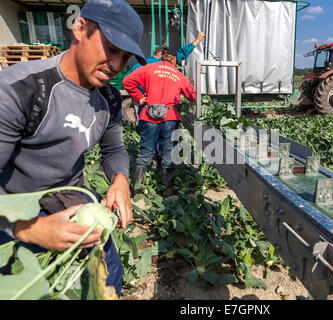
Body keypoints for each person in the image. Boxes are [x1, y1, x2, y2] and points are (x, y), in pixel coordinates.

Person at [0, 0, 145, 297]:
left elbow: (114, 146)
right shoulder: (21, 90)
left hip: (72, 205)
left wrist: (120, 179)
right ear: (79, 28)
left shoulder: (109, 98)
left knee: (107, 279)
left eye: (125, 57)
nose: (117, 66)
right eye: (111, 48)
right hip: (13, 215)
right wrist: (28, 229)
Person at [123, 47, 197, 197]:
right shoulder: (178, 74)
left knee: (145, 153)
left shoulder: (148, 68)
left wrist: (139, 97)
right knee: (169, 153)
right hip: (169, 118)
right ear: (174, 61)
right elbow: (192, 94)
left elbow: (127, 80)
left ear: (161, 58)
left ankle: (138, 189)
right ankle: (167, 190)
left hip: (148, 116)